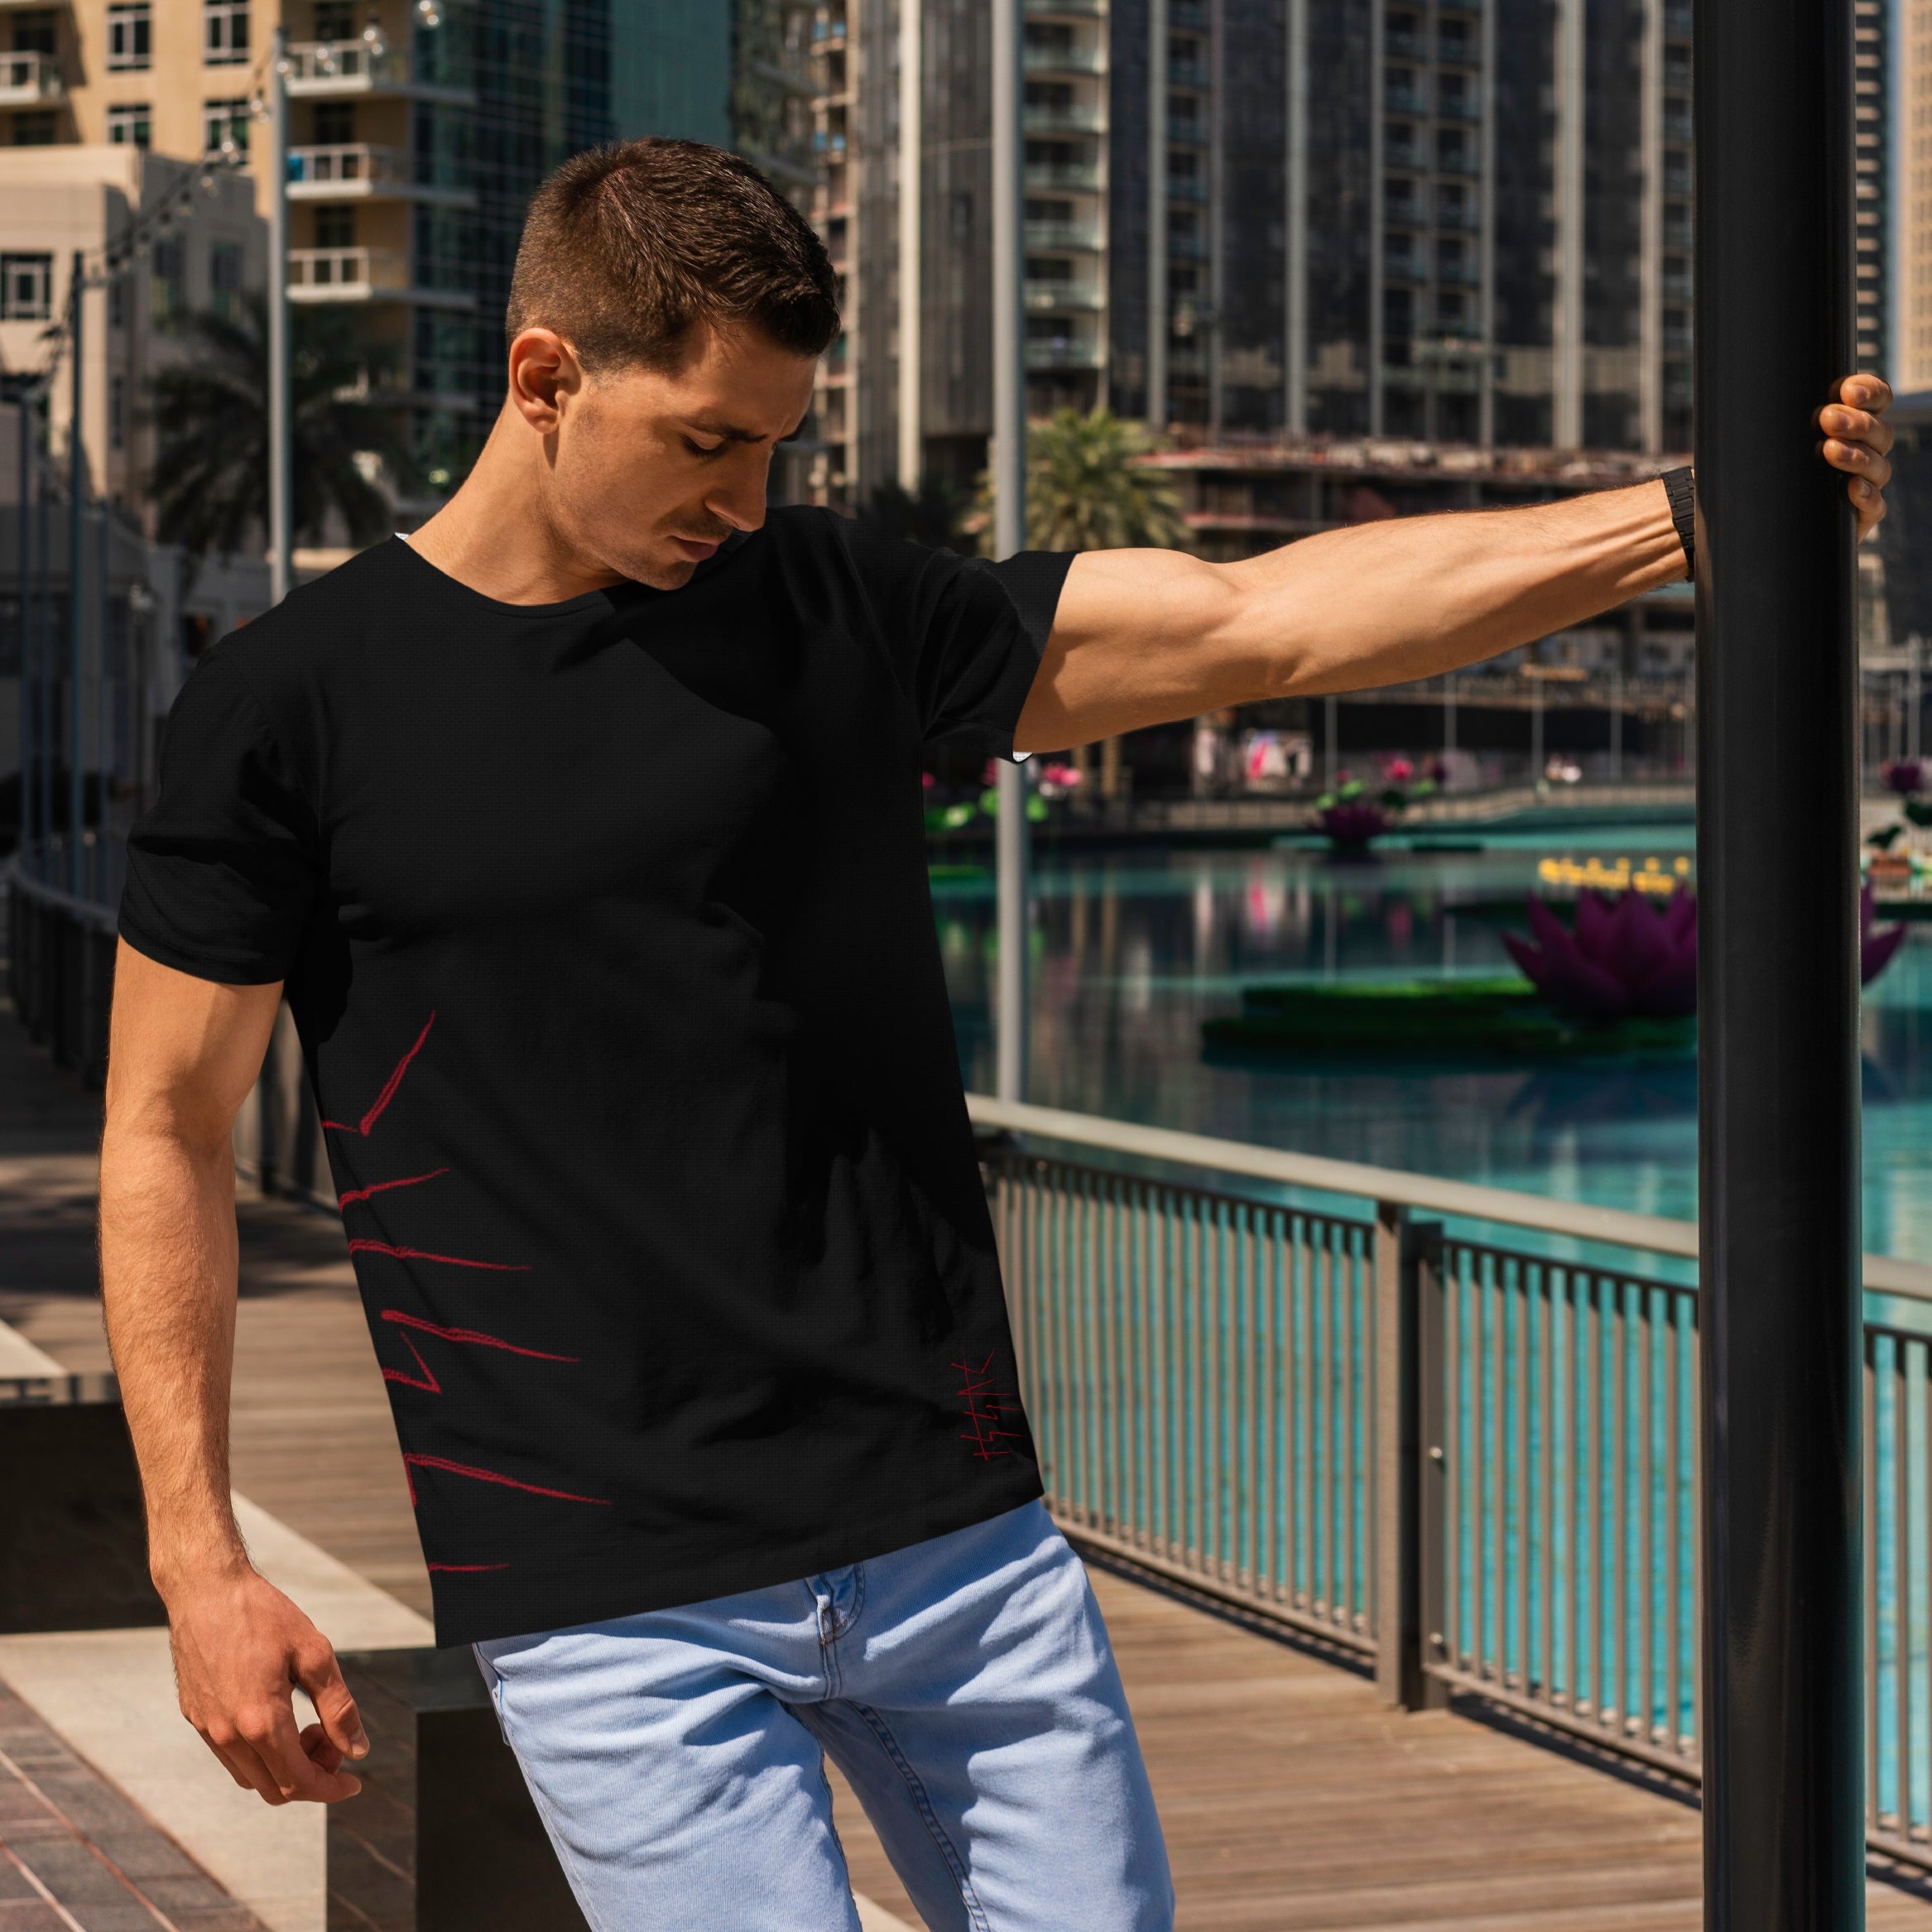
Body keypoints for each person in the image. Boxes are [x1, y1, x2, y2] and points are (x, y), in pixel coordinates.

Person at [97, 138, 1894, 1932]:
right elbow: (169, 1125)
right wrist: (202, 1560)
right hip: (608, 1587)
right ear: (548, 379)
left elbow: (1256, 621)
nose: (743, 495)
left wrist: (1692, 512)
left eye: (779, 446)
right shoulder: (289, 707)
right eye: (707, 441)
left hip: (953, 1533)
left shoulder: (828, 608)